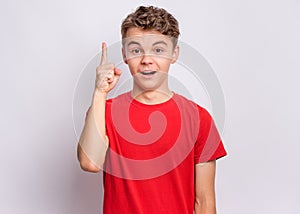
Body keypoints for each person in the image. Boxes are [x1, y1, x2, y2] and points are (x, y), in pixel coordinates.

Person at [77, 5, 227, 214]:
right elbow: (89, 162)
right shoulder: (104, 110)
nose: (147, 59)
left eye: (158, 50)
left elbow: (204, 203)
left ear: (174, 54)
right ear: (125, 55)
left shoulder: (199, 119)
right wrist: (100, 92)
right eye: (136, 50)